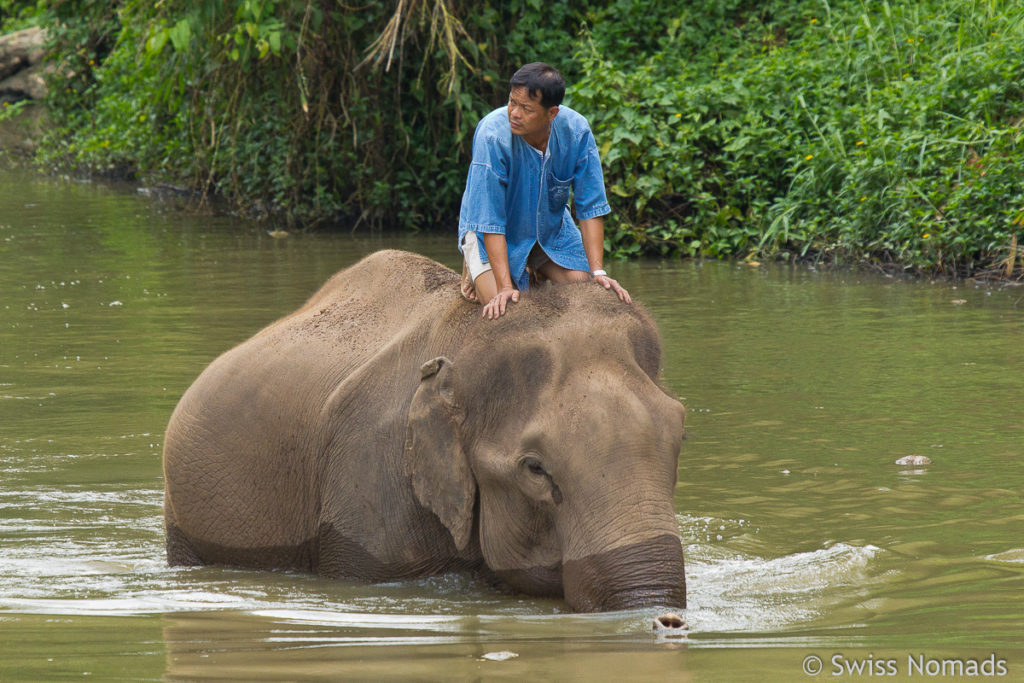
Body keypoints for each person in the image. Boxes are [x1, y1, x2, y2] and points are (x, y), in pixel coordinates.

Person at [458, 62, 631, 319]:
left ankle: (533, 265)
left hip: (550, 229)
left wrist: (598, 272)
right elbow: (490, 218)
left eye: (526, 108)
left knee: (585, 290)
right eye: (511, 102)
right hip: (488, 230)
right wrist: (505, 287)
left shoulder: (577, 131)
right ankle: (474, 263)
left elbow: (590, 206)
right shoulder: (492, 135)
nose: (514, 113)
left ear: (552, 113)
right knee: (508, 311)